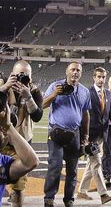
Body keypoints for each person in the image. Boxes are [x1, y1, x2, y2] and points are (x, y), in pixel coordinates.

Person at [42, 61, 92, 207]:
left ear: (81, 73)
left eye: (78, 70)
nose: (75, 72)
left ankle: (69, 199)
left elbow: (86, 114)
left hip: (74, 134)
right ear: (67, 71)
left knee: (73, 169)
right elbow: (43, 105)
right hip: (56, 132)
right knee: (55, 166)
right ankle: (49, 199)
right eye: (73, 69)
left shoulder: (85, 91)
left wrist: (86, 136)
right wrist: (55, 93)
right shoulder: (55, 86)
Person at [0, 60, 45, 207]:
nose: (23, 78)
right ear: (12, 74)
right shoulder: (2, 83)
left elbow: (37, 116)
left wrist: (28, 97)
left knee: (19, 185)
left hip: (22, 141)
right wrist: (6, 87)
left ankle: (16, 197)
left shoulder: (35, 91)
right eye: (20, 75)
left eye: (27, 75)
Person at [78, 66, 111, 203]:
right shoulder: (87, 93)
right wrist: (84, 135)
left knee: (91, 164)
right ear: (94, 77)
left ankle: (82, 191)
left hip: (102, 134)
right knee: (96, 163)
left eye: (103, 77)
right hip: (90, 134)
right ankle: (103, 194)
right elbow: (83, 114)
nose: (101, 79)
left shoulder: (108, 93)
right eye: (98, 77)